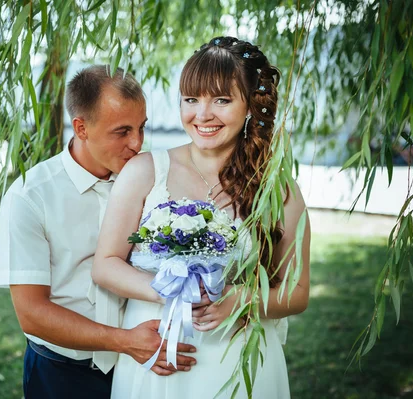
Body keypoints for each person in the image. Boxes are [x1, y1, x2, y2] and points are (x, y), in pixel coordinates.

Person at [92, 37, 311, 398]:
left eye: (221, 100)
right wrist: (175, 293)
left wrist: (239, 299)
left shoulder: (278, 190)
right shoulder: (146, 171)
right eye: (191, 99)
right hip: (160, 357)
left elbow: (297, 292)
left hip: (240, 363)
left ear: (251, 105)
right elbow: (106, 264)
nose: (203, 114)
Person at [0, 65, 197, 399]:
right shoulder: (30, 197)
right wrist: (125, 341)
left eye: (141, 128)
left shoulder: (152, 181)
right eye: (122, 132)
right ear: (81, 128)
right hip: (62, 373)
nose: (137, 143)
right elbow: (31, 313)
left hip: (143, 369)